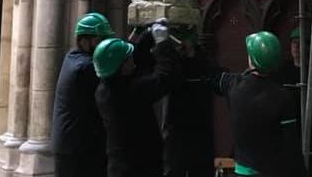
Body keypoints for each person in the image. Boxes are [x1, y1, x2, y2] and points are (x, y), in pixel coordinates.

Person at [212, 31, 306, 177]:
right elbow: (291, 146)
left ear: (252, 59)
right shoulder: (282, 96)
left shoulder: (233, 85)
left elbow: (213, 76)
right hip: (272, 171)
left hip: (243, 172)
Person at [93, 21, 182, 177]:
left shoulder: (105, 86)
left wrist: (147, 34)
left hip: (121, 166)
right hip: (139, 167)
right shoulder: (129, 93)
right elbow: (167, 76)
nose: (133, 61)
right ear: (120, 67)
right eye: (128, 60)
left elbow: (132, 60)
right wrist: (162, 42)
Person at [51, 12, 115, 177]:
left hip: (72, 145)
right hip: (77, 149)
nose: (103, 45)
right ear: (84, 41)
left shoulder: (72, 57)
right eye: (100, 41)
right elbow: (117, 71)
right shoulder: (85, 67)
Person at [274, 28, 312, 177]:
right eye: (294, 43)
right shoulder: (281, 72)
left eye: (301, 43)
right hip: (289, 136)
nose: (297, 47)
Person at [159, 30, 218, 177]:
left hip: (199, 133)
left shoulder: (204, 64)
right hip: (176, 133)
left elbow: (216, 77)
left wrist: (193, 55)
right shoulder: (170, 68)